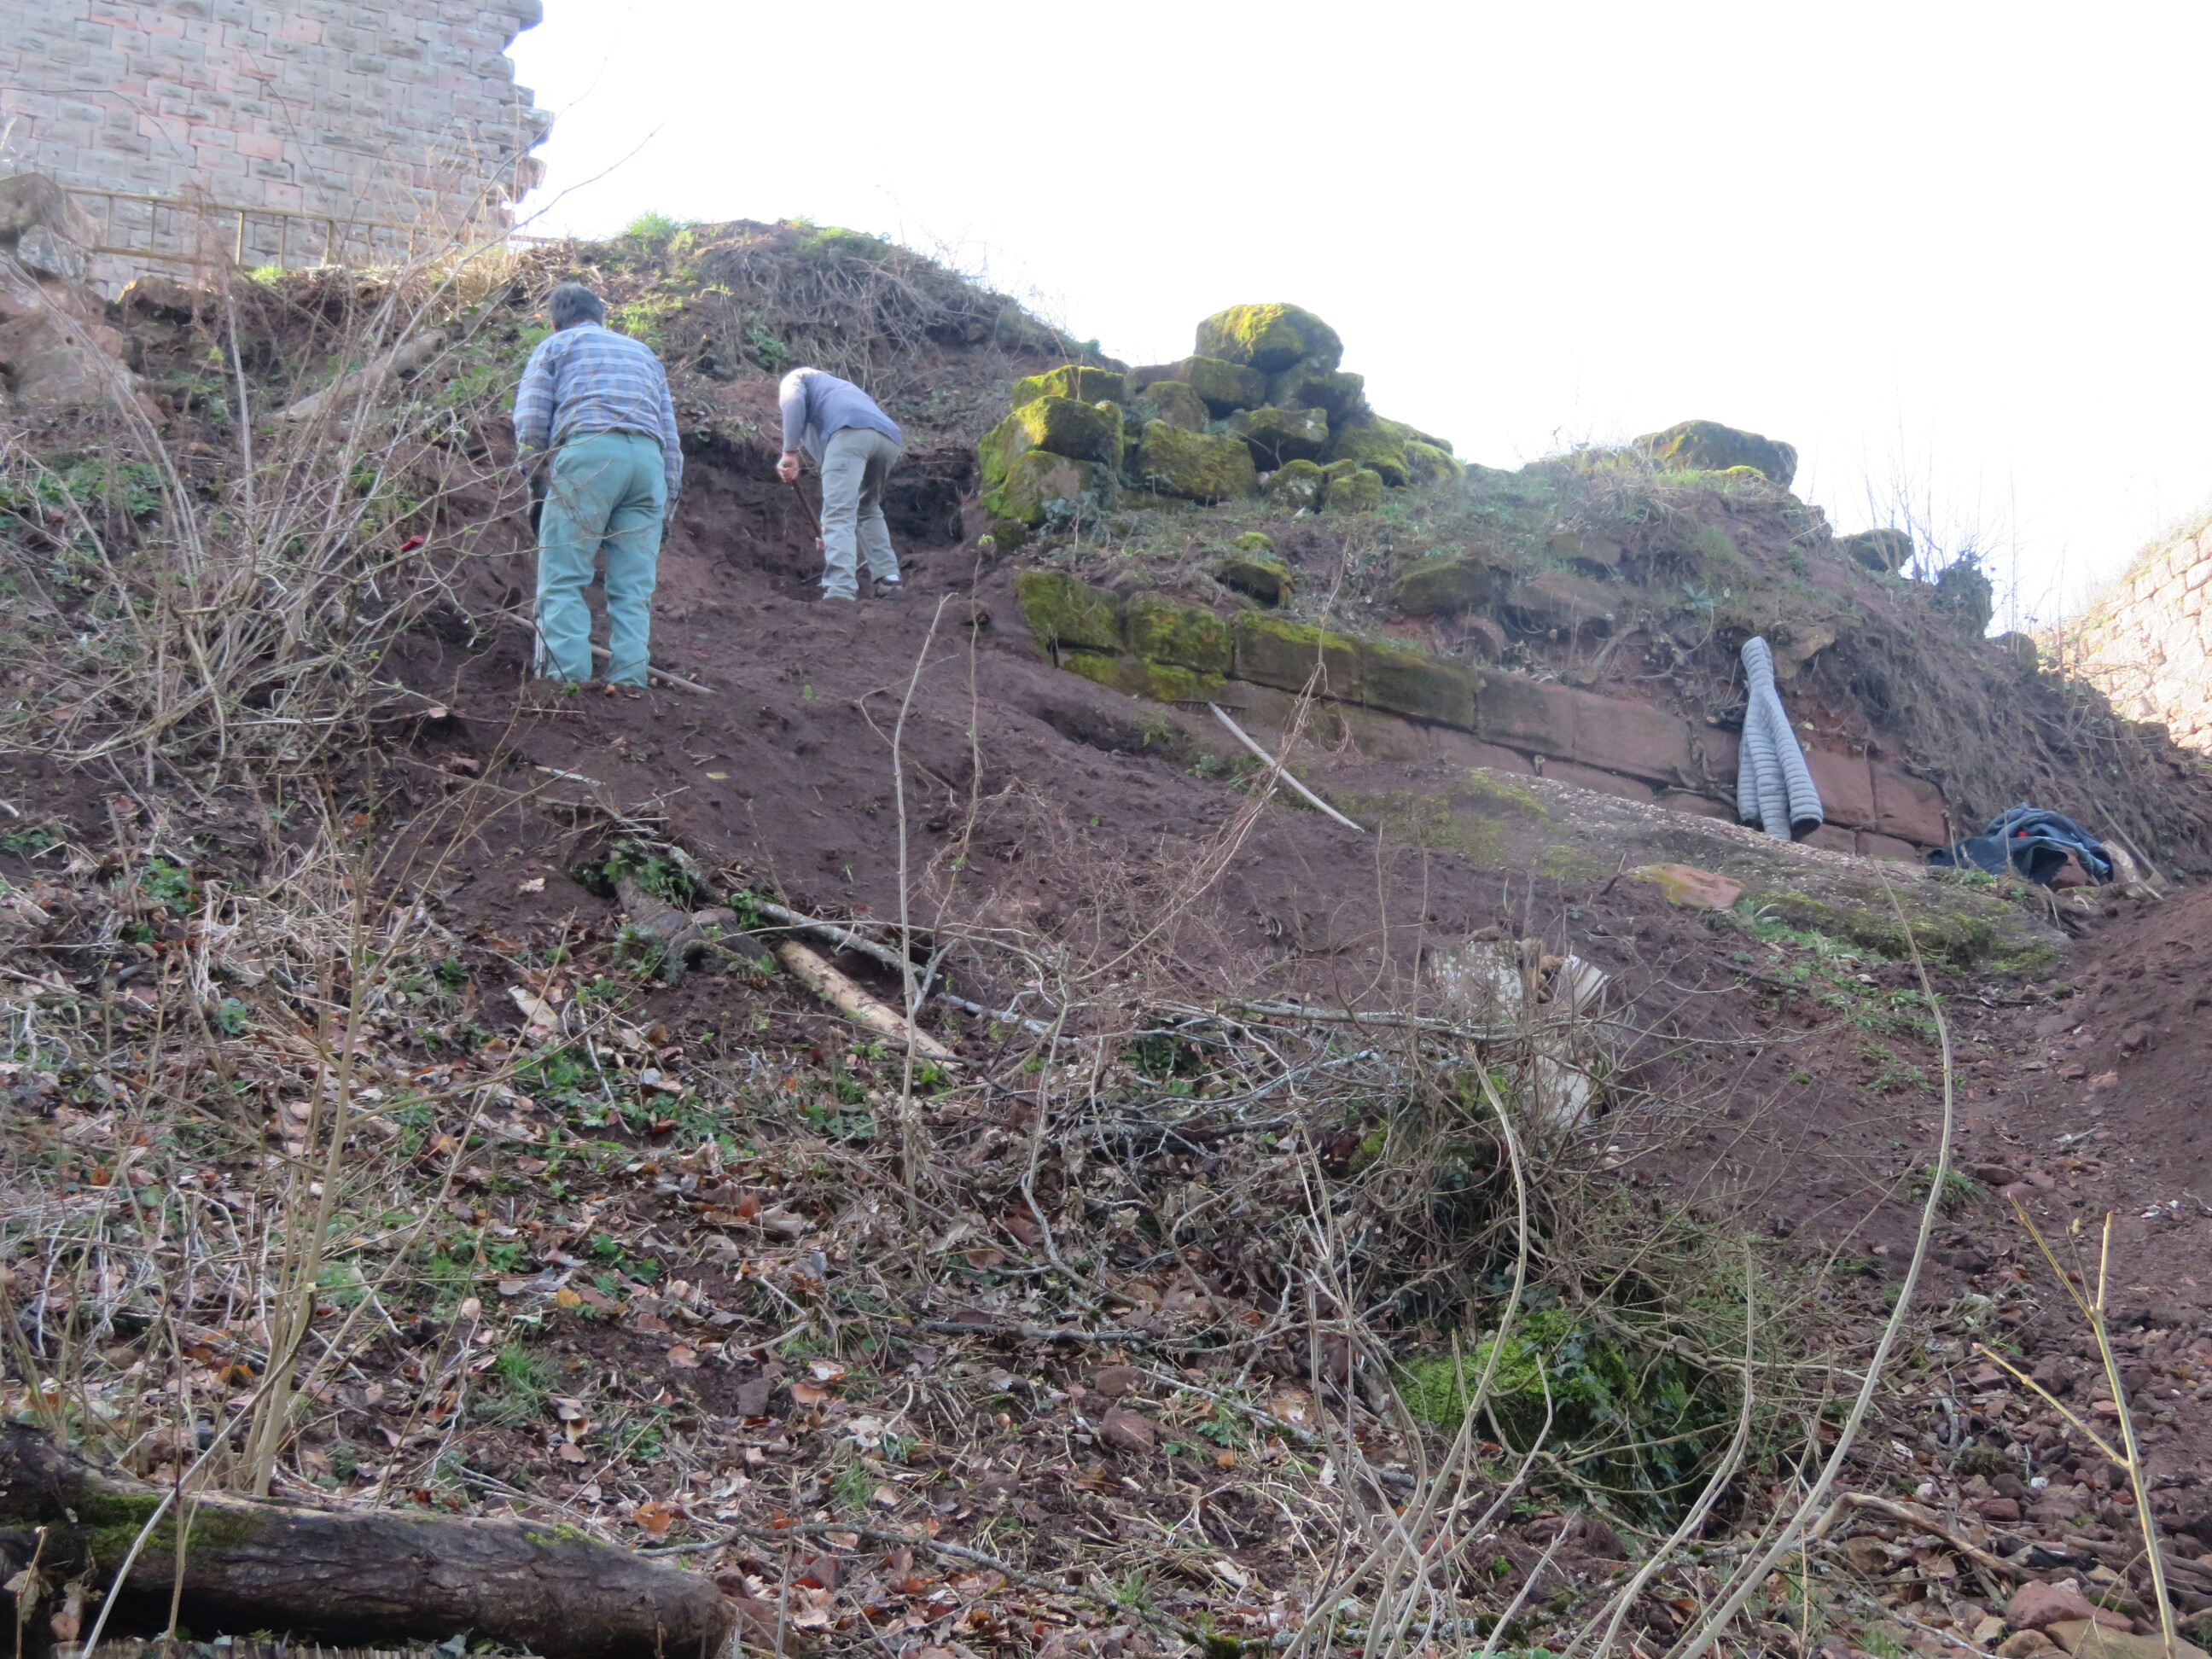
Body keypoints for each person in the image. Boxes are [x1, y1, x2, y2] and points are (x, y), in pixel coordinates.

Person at [511, 282, 682, 688]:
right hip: (648, 464)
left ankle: (564, 682)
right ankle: (630, 681)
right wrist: (666, 507)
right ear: (601, 317)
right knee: (633, 588)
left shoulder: (555, 347)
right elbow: (671, 440)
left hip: (589, 454)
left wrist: (536, 483)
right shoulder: (644, 354)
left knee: (563, 577)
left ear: (555, 323)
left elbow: (531, 422)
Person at [776, 366, 906, 602]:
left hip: (850, 434)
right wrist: (833, 537)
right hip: (888, 439)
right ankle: (889, 580)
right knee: (867, 507)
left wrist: (789, 452)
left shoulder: (797, 378)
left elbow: (793, 400)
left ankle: (840, 591)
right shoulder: (841, 388)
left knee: (838, 513)